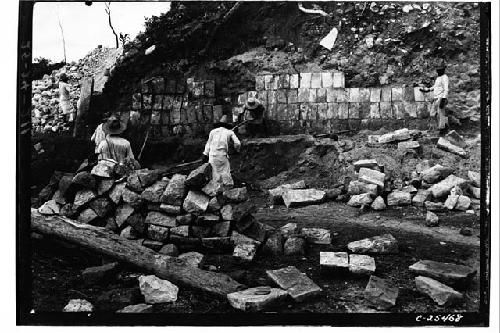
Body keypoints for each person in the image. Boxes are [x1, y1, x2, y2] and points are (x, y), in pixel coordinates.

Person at [202, 115, 241, 188]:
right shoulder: (229, 132)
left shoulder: (212, 132)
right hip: (222, 156)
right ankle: (228, 191)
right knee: (225, 173)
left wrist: (205, 154)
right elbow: (238, 143)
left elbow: (208, 144)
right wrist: (237, 150)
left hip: (212, 156)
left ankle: (216, 191)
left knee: (215, 174)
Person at [420, 64, 449, 133]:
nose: (438, 71)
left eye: (439, 70)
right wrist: (427, 90)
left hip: (441, 97)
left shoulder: (445, 77)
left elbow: (446, 89)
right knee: (432, 114)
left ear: (443, 71)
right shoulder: (438, 77)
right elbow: (435, 86)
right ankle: (444, 125)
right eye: (437, 70)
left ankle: (442, 129)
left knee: (440, 114)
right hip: (435, 98)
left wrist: (443, 99)